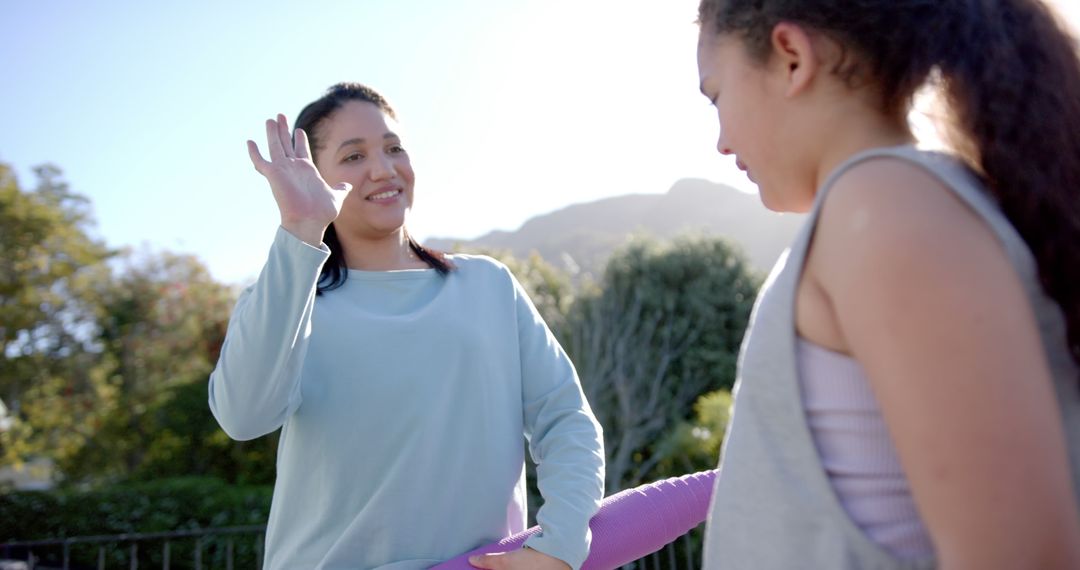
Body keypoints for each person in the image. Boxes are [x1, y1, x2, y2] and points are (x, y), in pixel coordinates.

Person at [693, 0, 1080, 568]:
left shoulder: (882, 207)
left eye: (716, 95)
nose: (721, 141)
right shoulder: (884, 207)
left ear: (792, 58)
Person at [208, 83, 605, 570]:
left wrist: (560, 547)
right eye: (353, 157)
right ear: (314, 177)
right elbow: (243, 417)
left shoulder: (488, 285)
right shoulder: (288, 301)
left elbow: (565, 418)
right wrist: (299, 228)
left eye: (393, 147)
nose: (382, 168)